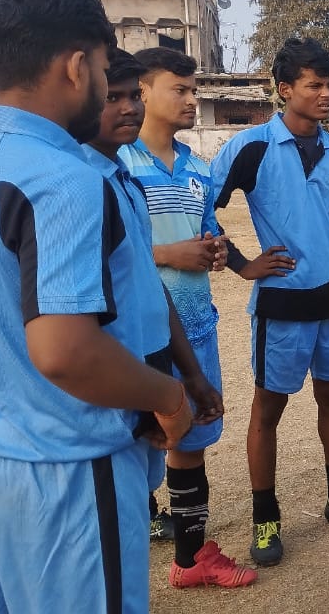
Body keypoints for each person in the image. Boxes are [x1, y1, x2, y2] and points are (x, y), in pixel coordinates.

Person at [0, 0, 204, 614]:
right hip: (68, 471)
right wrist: (169, 397)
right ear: (75, 66)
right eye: (101, 67)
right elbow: (65, 352)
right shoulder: (64, 178)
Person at [211, 37, 329, 567]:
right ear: (285, 89)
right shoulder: (251, 148)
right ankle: (265, 520)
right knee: (268, 409)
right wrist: (243, 264)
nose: (326, 94)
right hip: (282, 303)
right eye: (315, 85)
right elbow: (204, 208)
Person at [118, 46, 255, 587]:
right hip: (139, 335)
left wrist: (215, 251)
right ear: (142, 92)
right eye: (180, 89)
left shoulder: (199, 169)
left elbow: (205, 232)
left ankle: (191, 559)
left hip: (195, 326)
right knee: (137, 443)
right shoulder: (118, 164)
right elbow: (107, 253)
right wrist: (167, 254)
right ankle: (125, 555)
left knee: (191, 443)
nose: (192, 100)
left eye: (194, 90)